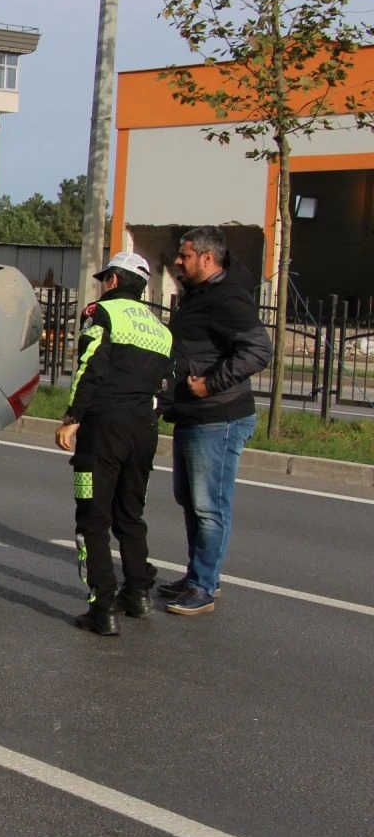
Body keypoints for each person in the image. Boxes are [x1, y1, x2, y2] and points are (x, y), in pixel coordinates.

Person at [55, 250, 174, 636]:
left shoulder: (101, 313)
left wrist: (72, 417)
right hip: (144, 432)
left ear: (115, 281)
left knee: (92, 518)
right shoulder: (161, 329)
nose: (103, 283)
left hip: (103, 430)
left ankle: (102, 607)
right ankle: (138, 594)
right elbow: (169, 386)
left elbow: (90, 364)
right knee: (130, 514)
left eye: (106, 277)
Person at [158, 225, 273, 616]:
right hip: (193, 415)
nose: (177, 261)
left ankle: (204, 586)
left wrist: (210, 384)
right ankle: (199, 577)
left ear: (207, 258)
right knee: (191, 502)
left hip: (219, 417)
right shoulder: (198, 295)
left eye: (185, 255)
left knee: (209, 506)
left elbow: (259, 349)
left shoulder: (228, 298)